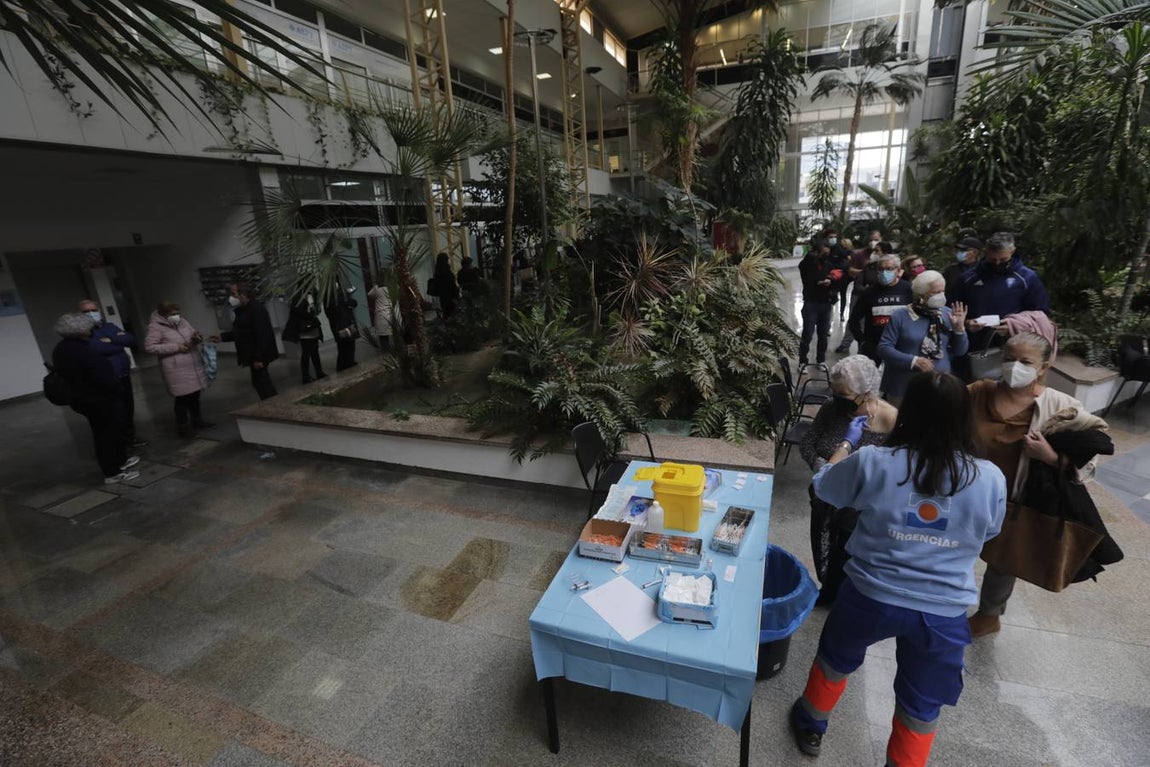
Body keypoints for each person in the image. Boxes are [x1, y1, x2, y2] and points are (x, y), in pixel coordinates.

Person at [790, 371, 1007, 767]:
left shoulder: (875, 462)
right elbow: (989, 531)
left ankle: (810, 723)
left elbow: (823, 486)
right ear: (965, 417)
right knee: (922, 703)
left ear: (909, 412)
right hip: (942, 611)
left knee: (835, 660)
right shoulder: (989, 478)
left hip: (871, 594)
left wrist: (847, 443)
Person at [965, 332, 1118, 638]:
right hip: (968, 493)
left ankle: (989, 614)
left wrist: (1049, 456)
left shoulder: (1060, 405)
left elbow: (1092, 454)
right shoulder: (979, 392)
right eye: (1009, 359)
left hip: (1016, 498)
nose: (1015, 367)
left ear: (1044, 367)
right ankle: (942, 602)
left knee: (1003, 559)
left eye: (1025, 361)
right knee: (956, 548)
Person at [799, 355, 899, 604]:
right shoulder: (831, 410)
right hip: (824, 501)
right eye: (834, 393)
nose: (837, 400)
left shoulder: (891, 419)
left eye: (844, 395)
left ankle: (841, 596)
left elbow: (893, 469)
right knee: (824, 549)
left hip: (860, 510)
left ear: (867, 392)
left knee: (847, 557)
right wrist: (822, 468)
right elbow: (808, 442)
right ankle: (827, 589)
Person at [52, 313, 140, 484]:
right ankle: (112, 472)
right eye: (88, 327)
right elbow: (98, 374)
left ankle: (120, 460)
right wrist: (114, 387)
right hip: (96, 399)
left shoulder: (63, 348)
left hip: (87, 397)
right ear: (79, 330)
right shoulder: (80, 349)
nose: (90, 330)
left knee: (110, 431)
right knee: (106, 435)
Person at [878, 270, 969, 402]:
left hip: (939, 386)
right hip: (904, 387)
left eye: (942, 291)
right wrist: (913, 361)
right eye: (935, 292)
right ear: (921, 294)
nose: (941, 296)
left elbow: (960, 351)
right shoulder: (901, 316)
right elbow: (884, 348)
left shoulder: (947, 314)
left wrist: (959, 329)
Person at [953, 232, 1051, 352]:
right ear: (986, 252)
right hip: (973, 344)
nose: (998, 263)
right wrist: (966, 323)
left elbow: (1040, 314)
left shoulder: (1027, 278)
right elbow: (952, 309)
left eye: (1003, 259)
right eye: (992, 259)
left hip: (1013, 344)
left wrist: (1013, 325)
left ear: (1012, 251)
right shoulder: (968, 278)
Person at [78, 298, 144, 448]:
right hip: (107, 378)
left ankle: (131, 438)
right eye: (86, 311)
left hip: (124, 373)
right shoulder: (84, 333)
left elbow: (130, 339)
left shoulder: (110, 326)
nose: (91, 313)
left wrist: (111, 339)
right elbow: (97, 348)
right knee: (115, 411)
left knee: (128, 408)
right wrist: (117, 341)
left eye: (94, 310)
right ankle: (121, 444)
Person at [144, 302, 211, 438]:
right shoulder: (155, 327)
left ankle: (197, 420)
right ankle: (183, 427)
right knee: (182, 399)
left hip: (192, 364)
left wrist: (196, 337)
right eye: (173, 314)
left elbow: (192, 333)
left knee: (195, 395)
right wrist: (176, 347)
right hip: (176, 369)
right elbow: (150, 347)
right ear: (163, 315)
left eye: (178, 313)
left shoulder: (183, 322)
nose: (177, 316)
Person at [847, 252, 913, 361]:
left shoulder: (908, 290)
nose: (884, 272)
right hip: (874, 348)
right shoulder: (869, 292)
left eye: (889, 269)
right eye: (881, 269)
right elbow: (854, 320)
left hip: (902, 348)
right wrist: (862, 342)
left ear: (898, 270)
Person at [220, 283, 279, 400]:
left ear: (243, 295)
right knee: (259, 382)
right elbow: (242, 331)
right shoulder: (244, 309)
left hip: (258, 355)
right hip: (252, 354)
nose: (231, 297)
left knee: (263, 383)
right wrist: (222, 337)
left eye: (234, 294)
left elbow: (262, 335)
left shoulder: (256, 309)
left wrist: (258, 358)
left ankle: (275, 405)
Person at [799, 242, 847, 366]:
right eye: (823, 253)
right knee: (807, 334)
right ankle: (802, 361)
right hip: (811, 303)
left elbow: (839, 273)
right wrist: (811, 256)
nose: (826, 255)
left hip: (825, 303)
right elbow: (804, 265)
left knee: (823, 335)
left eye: (827, 253)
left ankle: (821, 360)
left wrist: (831, 280)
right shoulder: (808, 265)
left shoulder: (828, 264)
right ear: (815, 252)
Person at [836, 232, 885, 354]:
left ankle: (865, 347)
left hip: (878, 295)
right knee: (854, 319)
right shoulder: (860, 255)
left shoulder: (887, 258)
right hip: (859, 293)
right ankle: (846, 344)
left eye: (876, 239)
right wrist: (865, 269)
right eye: (871, 239)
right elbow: (851, 270)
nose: (873, 242)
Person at [282, 292, 326, 384]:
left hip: (313, 326)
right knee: (306, 353)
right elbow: (296, 311)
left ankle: (319, 372)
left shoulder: (312, 294)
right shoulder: (298, 297)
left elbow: (317, 309)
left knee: (315, 351)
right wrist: (308, 312)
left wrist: (314, 309)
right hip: (304, 328)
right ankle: (306, 376)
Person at [324, 284, 359, 372]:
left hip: (345, 323)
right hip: (341, 324)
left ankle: (349, 363)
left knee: (348, 345)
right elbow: (332, 312)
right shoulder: (332, 299)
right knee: (344, 346)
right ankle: (344, 366)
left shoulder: (338, 297)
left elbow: (353, 303)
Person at [943, 235, 982, 303]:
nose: (960, 252)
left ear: (975, 252)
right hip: (952, 307)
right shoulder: (950, 270)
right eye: (959, 250)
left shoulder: (982, 270)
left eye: (964, 250)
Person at [367, 277, 395, 354]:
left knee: (383, 337)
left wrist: (375, 285)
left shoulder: (377, 290)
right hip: (390, 314)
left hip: (381, 316)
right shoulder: (391, 288)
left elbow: (369, 294)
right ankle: (394, 352)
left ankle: (386, 353)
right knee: (394, 335)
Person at [433, 252, 460, 319]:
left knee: (446, 313)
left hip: (443, 298)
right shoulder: (448, 273)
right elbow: (453, 286)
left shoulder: (437, 273)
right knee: (454, 314)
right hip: (451, 297)